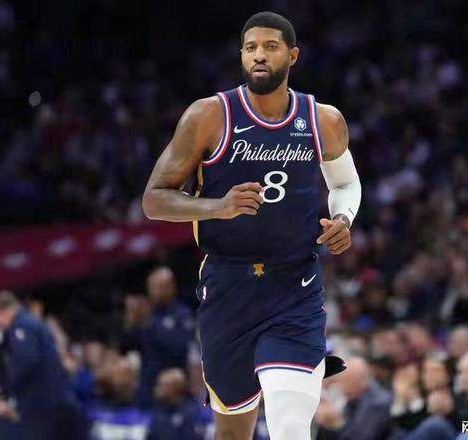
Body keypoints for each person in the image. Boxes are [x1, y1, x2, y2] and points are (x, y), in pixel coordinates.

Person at [141, 11, 361, 440]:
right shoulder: (209, 115)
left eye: (270, 47)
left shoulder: (323, 119)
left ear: (292, 56)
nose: (258, 55)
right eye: (250, 48)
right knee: (233, 432)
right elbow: (153, 199)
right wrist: (217, 207)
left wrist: (342, 218)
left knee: (289, 425)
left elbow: (345, 183)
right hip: (227, 286)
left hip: (294, 285)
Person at [0, 290, 88, 440]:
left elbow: (27, 362)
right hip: (58, 403)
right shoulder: (32, 323)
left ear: (3, 312)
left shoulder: (21, 325)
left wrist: (6, 389)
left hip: (44, 407)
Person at [123, 267, 195, 406]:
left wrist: (149, 325)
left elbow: (179, 347)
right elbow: (128, 346)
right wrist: (130, 324)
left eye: (160, 287)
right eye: (152, 287)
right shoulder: (146, 312)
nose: (155, 292)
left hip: (175, 386)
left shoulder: (182, 314)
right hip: (148, 384)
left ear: (171, 287)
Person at [314, 357, 392, 440]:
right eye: (341, 381)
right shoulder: (351, 399)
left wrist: (337, 424)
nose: (342, 387)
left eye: (347, 381)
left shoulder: (378, 402)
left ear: (362, 380)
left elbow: (364, 437)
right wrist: (326, 424)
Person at [147, 368, 206, 440]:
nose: (158, 389)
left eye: (164, 385)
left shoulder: (191, 413)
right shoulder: (157, 412)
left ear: (176, 387)